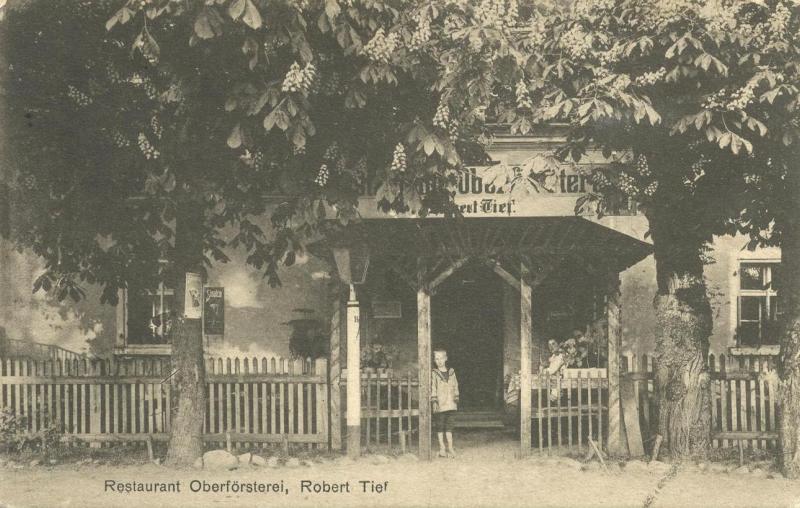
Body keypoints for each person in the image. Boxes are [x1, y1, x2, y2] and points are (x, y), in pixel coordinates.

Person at [431, 349, 459, 458]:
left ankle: (450, 448)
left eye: (441, 358)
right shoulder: (435, 373)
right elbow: (433, 387)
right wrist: (434, 401)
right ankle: (442, 448)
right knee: (440, 426)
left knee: (449, 427)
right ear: (434, 360)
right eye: (437, 358)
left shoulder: (451, 372)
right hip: (440, 404)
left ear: (446, 358)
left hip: (451, 404)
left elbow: (456, 385)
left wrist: (456, 396)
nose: (439, 361)